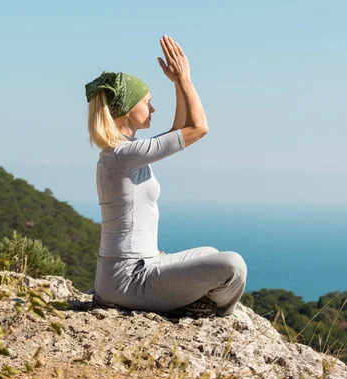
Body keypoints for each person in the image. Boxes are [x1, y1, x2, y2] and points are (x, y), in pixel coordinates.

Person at [84, 35, 247, 317]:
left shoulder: (125, 152)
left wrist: (177, 84)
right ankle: (197, 307)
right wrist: (185, 79)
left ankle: (188, 301)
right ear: (126, 109)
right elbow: (197, 128)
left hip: (140, 268)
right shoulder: (123, 155)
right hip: (128, 280)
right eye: (147, 102)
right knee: (233, 265)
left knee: (210, 252)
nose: (152, 108)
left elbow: (179, 129)